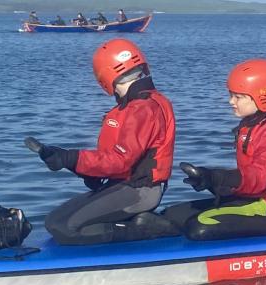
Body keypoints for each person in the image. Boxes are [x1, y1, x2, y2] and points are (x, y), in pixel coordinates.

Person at [28, 38, 179, 245]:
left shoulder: (142, 109)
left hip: (140, 191)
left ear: (105, 76)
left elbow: (120, 161)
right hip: (122, 185)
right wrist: (74, 165)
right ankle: (131, 223)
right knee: (53, 222)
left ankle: (144, 228)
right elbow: (113, 161)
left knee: (66, 228)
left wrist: (72, 158)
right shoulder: (130, 106)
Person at [161, 59, 266, 241]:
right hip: (248, 197)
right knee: (170, 216)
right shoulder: (251, 125)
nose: (231, 101)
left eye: (238, 97)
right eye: (231, 95)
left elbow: (261, 175)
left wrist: (222, 177)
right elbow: (247, 180)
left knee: (200, 226)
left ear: (262, 97)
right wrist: (209, 180)